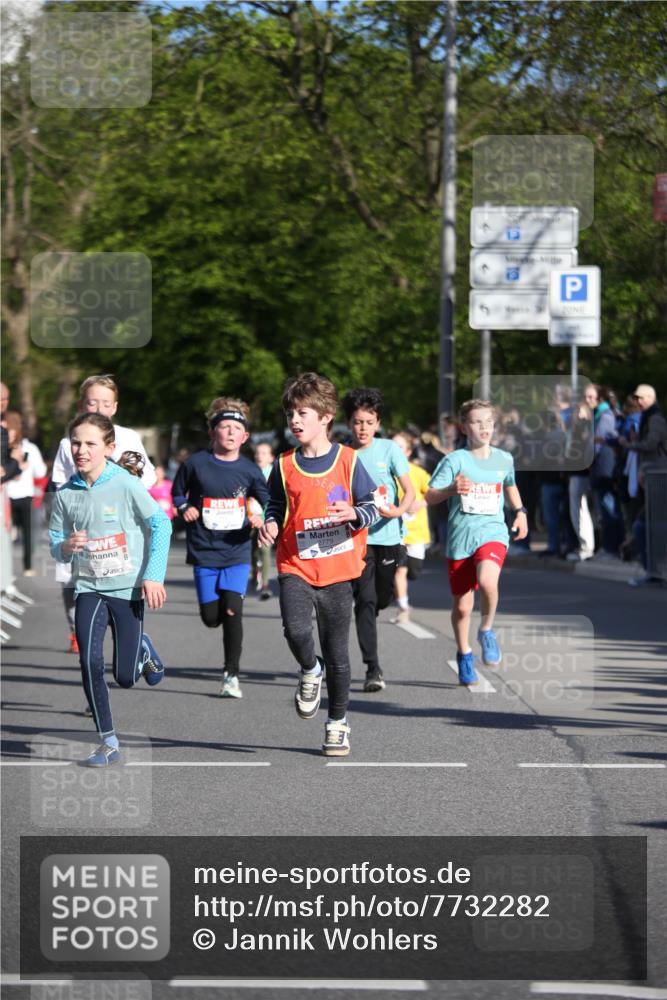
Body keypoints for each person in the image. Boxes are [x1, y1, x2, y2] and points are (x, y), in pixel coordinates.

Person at [258, 372, 379, 756]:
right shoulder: (283, 464)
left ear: (326, 416)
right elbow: (275, 505)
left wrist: (355, 513)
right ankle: (310, 669)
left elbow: (373, 507)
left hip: (338, 570)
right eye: (291, 413)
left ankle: (337, 723)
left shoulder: (348, 460)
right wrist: (271, 523)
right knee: (295, 631)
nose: (294, 421)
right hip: (295, 563)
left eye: (303, 413)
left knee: (338, 652)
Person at [49, 414, 171, 767]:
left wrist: (154, 575)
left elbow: (160, 523)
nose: (81, 450)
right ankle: (108, 742)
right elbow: (56, 542)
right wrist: (66, 546)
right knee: (88, 660)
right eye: (76, 443)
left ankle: (143, 651)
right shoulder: (67, 491)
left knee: (125, 678)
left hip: (128, 587)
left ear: (109, 448)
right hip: (88, 586)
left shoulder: (125, 484)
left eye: (90, 443)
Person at [51, 374, 156, 654]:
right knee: (73, 582)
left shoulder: (128, 438)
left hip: (121, 531)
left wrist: (122, 489)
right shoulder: (68, 444)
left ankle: (131, 643)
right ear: (81, 405)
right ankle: (80, 634)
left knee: (117, 588)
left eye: (105, 403)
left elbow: (150, 478)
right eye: (92, 402)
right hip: (83, 531)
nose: (99, 409)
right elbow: (58, 487)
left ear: (115, 407)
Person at [425, 399, 528, 686]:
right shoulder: (455, 460)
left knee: (487, 581)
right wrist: (450, 489)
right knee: (462, 607)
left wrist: (520, 513)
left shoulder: (504, 458)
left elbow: (510, 485)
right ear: (464, 427)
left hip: (492, 531)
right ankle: (464, 653)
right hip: (461, 537)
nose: (483, 427)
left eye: (488, 421)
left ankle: (486, 629)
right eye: (476, 422)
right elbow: (429, 495)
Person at [172, 398, 269, 698]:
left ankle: (231, 674)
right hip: (204, 550)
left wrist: (259, 516)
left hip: (237, 550)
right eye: (223, 426)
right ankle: (227, 664)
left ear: (244, 437)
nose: (229, 432)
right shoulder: (196, 464)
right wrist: (185, 507)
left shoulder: (250, 470)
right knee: (211, 617)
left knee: (233, 611)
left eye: (236, 428)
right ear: (213, 432)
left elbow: (267, 500)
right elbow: (177, 492)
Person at [342, 387, 415, 692]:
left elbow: (409, 489)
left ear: (377, 422)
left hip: (389, 536)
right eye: (358, 422)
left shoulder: (389, 450)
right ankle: (373, 668)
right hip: (358, 538)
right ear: (349, 423)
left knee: (381, 598)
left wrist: (398, 509)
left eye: (369, 422)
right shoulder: (343, 454)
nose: (363, 428)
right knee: (366, 600)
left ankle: (378, 605)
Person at [618, 384, 667, 586]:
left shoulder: (655, 418)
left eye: (641, 398)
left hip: (658, 477)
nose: (638, 402)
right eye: (636, 398)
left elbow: (652, 444)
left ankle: (655, 571)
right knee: (644, 525)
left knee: (645, 525)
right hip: (651, 476)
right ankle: (653, 571)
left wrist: (630, 445)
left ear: (651, 397)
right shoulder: (650, 417)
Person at [390, 432, 431, 624]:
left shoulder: (417, 472)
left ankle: (396, 590)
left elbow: (433, 492)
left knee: (414, 572)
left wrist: (420, 503)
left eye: (399, 447)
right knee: (400, 570)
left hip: (416, 532)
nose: (395, 450)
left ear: (407, 452)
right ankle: (403, 607)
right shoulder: (385, 472)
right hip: (395, 531)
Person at [5, 411, 47, 575]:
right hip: (11, 496)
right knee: (22, 534)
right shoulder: (28, 448)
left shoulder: (29, 448)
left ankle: (18, 567)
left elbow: (40, 472)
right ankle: (25, 567)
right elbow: (41, 472)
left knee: (18, 534)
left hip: (16, 495)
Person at [252, 441, 275, 600]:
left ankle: (265, 584)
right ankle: (255, 573)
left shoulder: (274, 474)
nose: (260, 456)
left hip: (267, 519)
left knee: (265, 550)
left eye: (264, 453)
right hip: (250, 519)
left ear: (271, 457)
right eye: (258, 453)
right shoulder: (250, 472)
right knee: (253, 551)